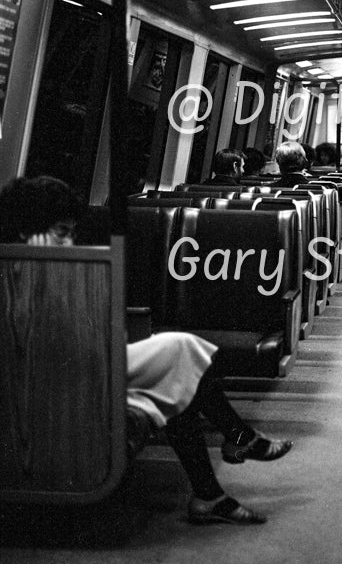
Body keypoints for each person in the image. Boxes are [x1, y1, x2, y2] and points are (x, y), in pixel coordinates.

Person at [0, 175, 293, 526]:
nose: (70, 242)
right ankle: (236, 447)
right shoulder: (19, 277)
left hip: (83, 367)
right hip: (56, 380)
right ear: (22, 230)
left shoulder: (52, 271)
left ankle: (214, 486)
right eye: (62, 232)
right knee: (181, 354)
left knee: (180, 369)